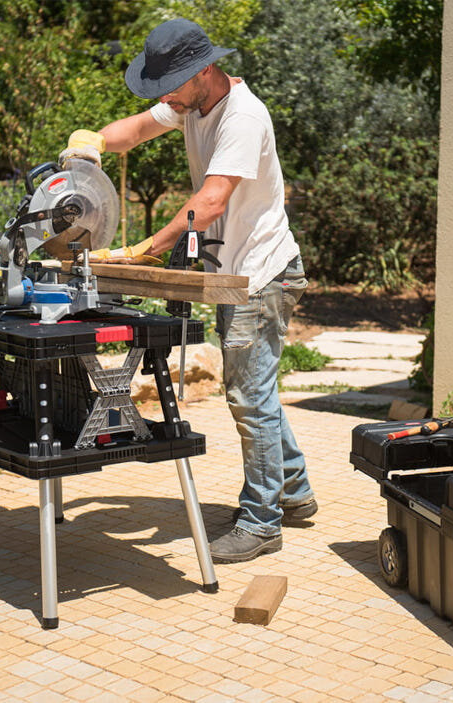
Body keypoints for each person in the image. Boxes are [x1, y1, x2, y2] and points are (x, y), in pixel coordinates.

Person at [62, 18, 316, 563]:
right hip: (234, 271)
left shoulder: (243, 117)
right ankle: (293, 493)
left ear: (204, 71)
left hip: (261, 273)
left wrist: (147, 246)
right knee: (258, 388)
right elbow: (132, 132)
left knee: (249, 396)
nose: (165, 99)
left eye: (170, 86)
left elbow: (213, 200)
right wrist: (92, 143)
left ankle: (262, 521)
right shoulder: (189, 101)